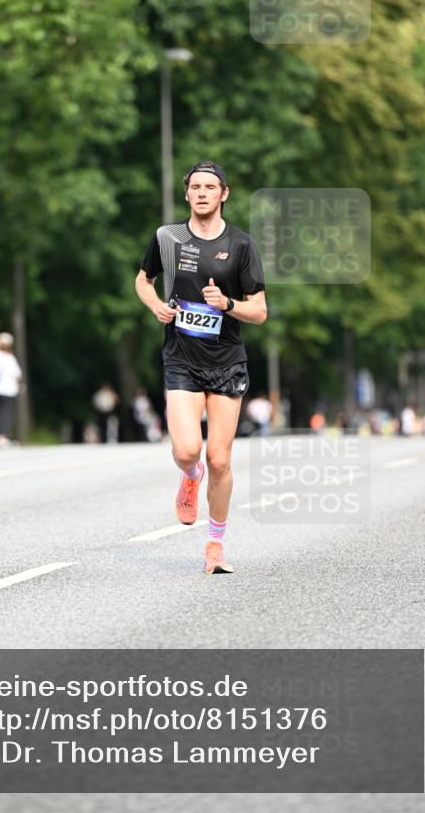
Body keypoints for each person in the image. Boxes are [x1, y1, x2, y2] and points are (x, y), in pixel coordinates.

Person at [135, 160, 267, 574]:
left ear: (224, 194)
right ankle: (189, 475)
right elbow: (143, 279)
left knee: (221, 459)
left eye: (211, 186)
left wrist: (226, 305)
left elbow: (259, 311)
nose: (203, 193)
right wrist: (155, 304)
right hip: (182, 359)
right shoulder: (167, 238)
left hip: (227, 362)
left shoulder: (241, 245)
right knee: (188, 449)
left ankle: (215, 546)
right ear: (187, 193)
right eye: (196, 186)